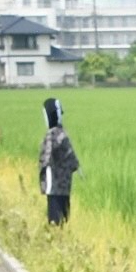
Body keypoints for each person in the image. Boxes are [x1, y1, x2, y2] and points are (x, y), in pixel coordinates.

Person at [38, 96, 80, 225]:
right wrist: (75, 167)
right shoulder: (63, 133)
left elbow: (46, 157)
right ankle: (63, 232)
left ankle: (56, 235)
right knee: (64, 209)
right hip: (65, 182)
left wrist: (42, 173)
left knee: (54, 213)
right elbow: (72, 158)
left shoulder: (51, 134)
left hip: (54, 182)